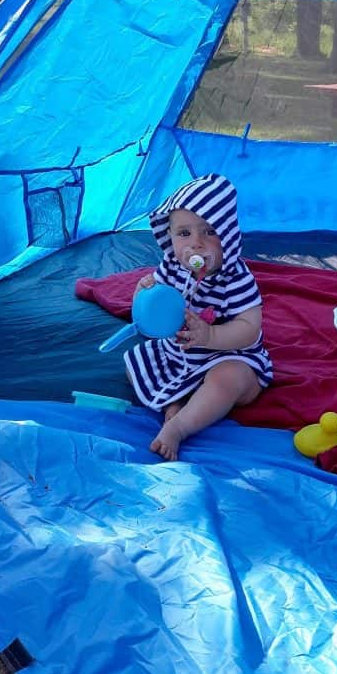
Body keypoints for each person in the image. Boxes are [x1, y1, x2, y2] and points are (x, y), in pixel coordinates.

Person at [125, 173, 272, 460]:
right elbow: (150, 316)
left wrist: (212, 335)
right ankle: (175, 402)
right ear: (170, 237)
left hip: (229, 355)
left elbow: (249, 328)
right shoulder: (171, 267)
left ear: (227, 236)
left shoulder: (236, 279)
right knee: (135, 365)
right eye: (184, 234)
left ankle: (179, 427)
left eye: (209, 232)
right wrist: (142, 296)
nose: (196, 244)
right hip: (179, 355)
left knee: (228, 379)